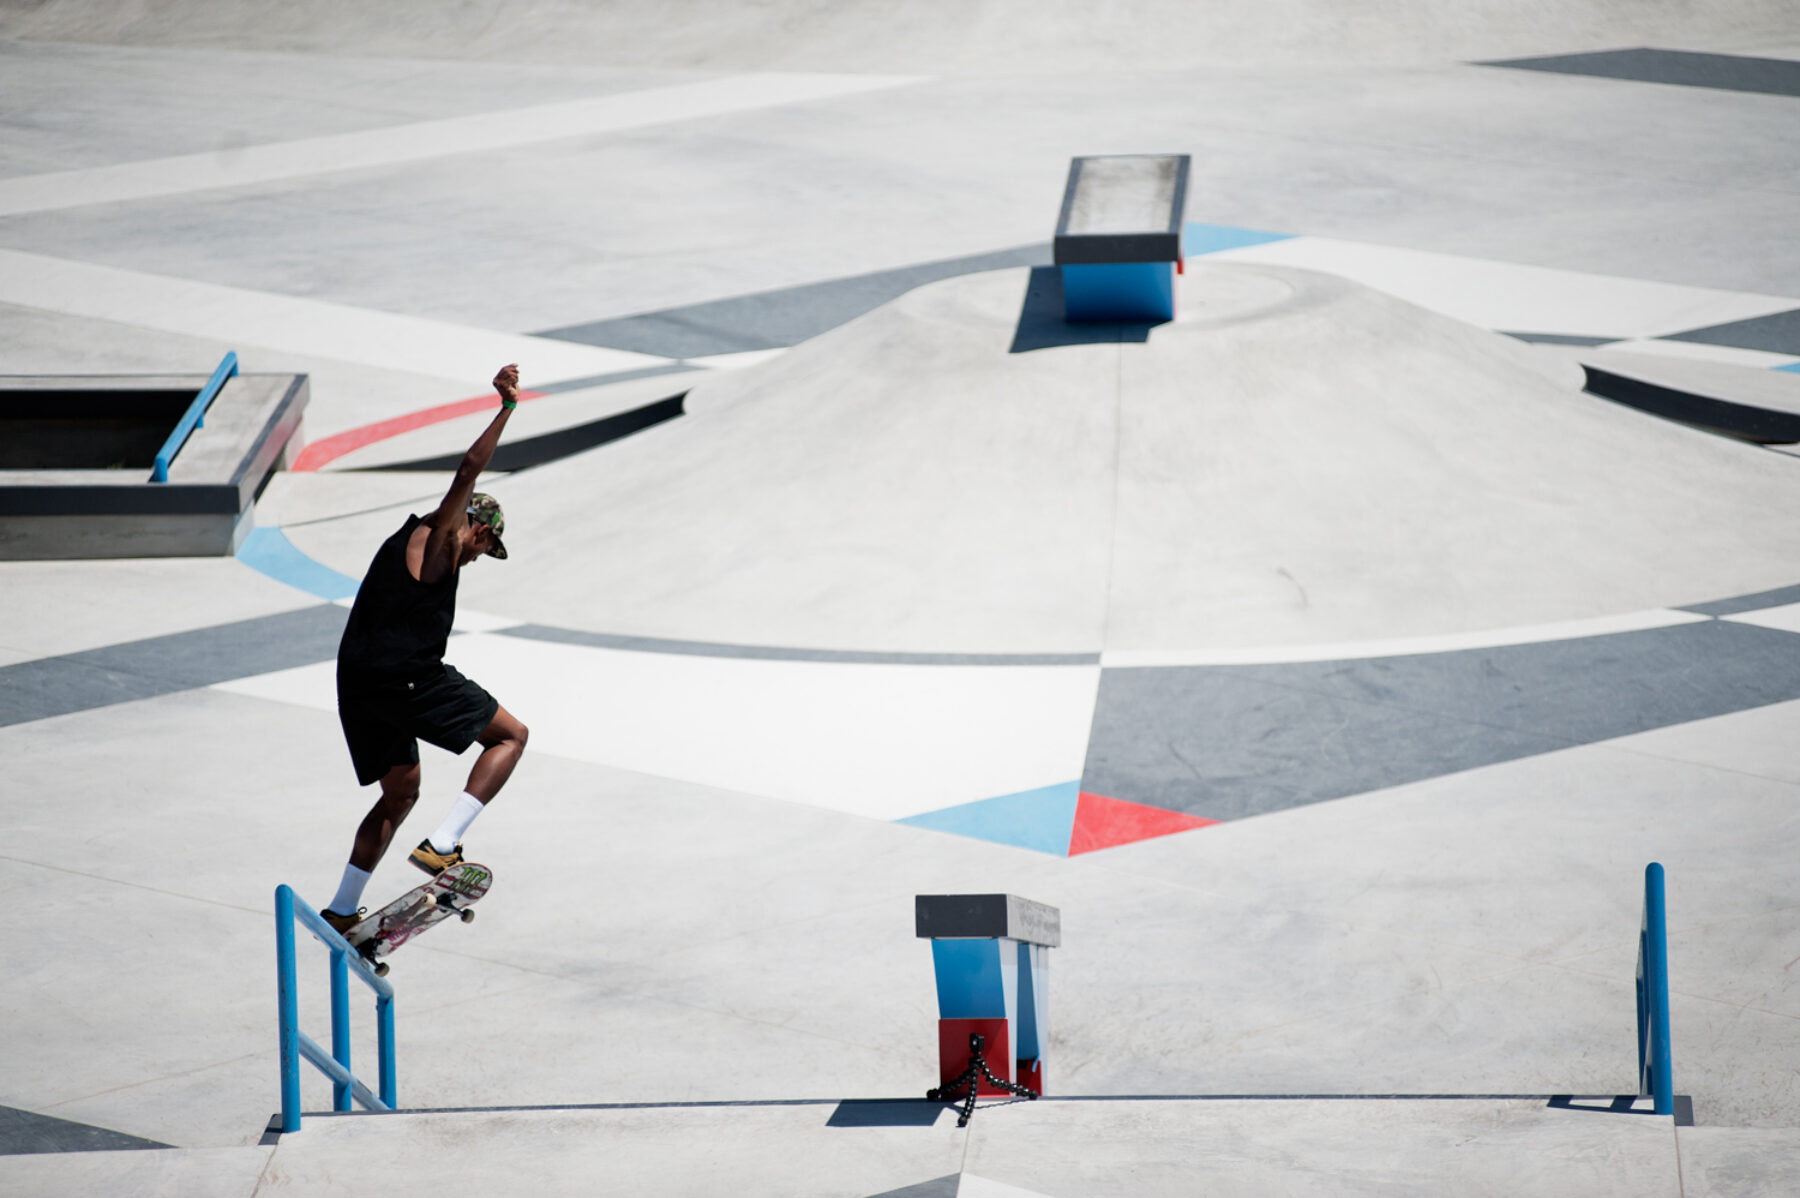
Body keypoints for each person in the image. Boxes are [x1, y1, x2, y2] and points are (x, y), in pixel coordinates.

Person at [321, 364, 530, 934]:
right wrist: (506, 408)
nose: (477, 560)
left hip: (358, 684)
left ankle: (341, 909)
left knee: (399, 795)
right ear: (480, 531)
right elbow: (468, 469)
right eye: (484, 551)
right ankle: (444, 844)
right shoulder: (443, 539)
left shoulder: (405, 536)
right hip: (406, 678)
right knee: (511, 736)